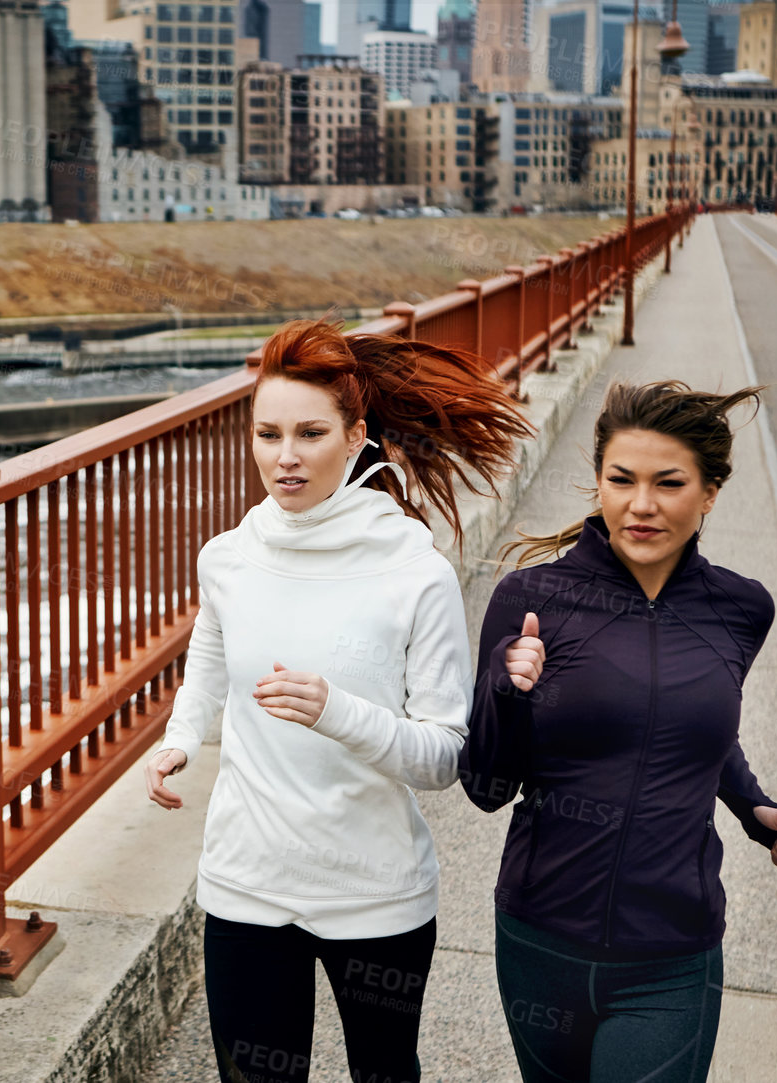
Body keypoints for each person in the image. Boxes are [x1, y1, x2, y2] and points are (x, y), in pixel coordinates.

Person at [144, 317, 532, 1083]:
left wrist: (336, 712)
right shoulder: (228, 558)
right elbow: (212, 655)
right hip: (247, 884)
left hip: (374, 893)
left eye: (310, 433)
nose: (283, 457)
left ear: (357, 436)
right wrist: (181, 736)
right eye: (266, 433)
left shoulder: (413, 573)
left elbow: (442, 756)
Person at [459, 380, 777, 1082]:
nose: (642, 504)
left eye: (669, 482)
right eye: (621, 479)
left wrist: (752, 805)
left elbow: (693, 724)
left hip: (672, 956)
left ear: (710, 491)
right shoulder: (531, 601)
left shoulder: (741, 609)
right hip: (542, 944)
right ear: (598, 480)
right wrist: (507, 691)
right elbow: (484, 786)